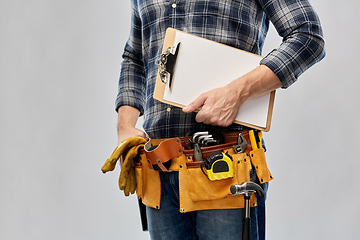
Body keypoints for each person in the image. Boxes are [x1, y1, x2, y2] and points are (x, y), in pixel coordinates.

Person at [115, 0, 325, 239]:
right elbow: (134, 56)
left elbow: (308, 36)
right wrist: (125, 126)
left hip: (226, 167)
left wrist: (237, 93)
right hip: (158, 172)